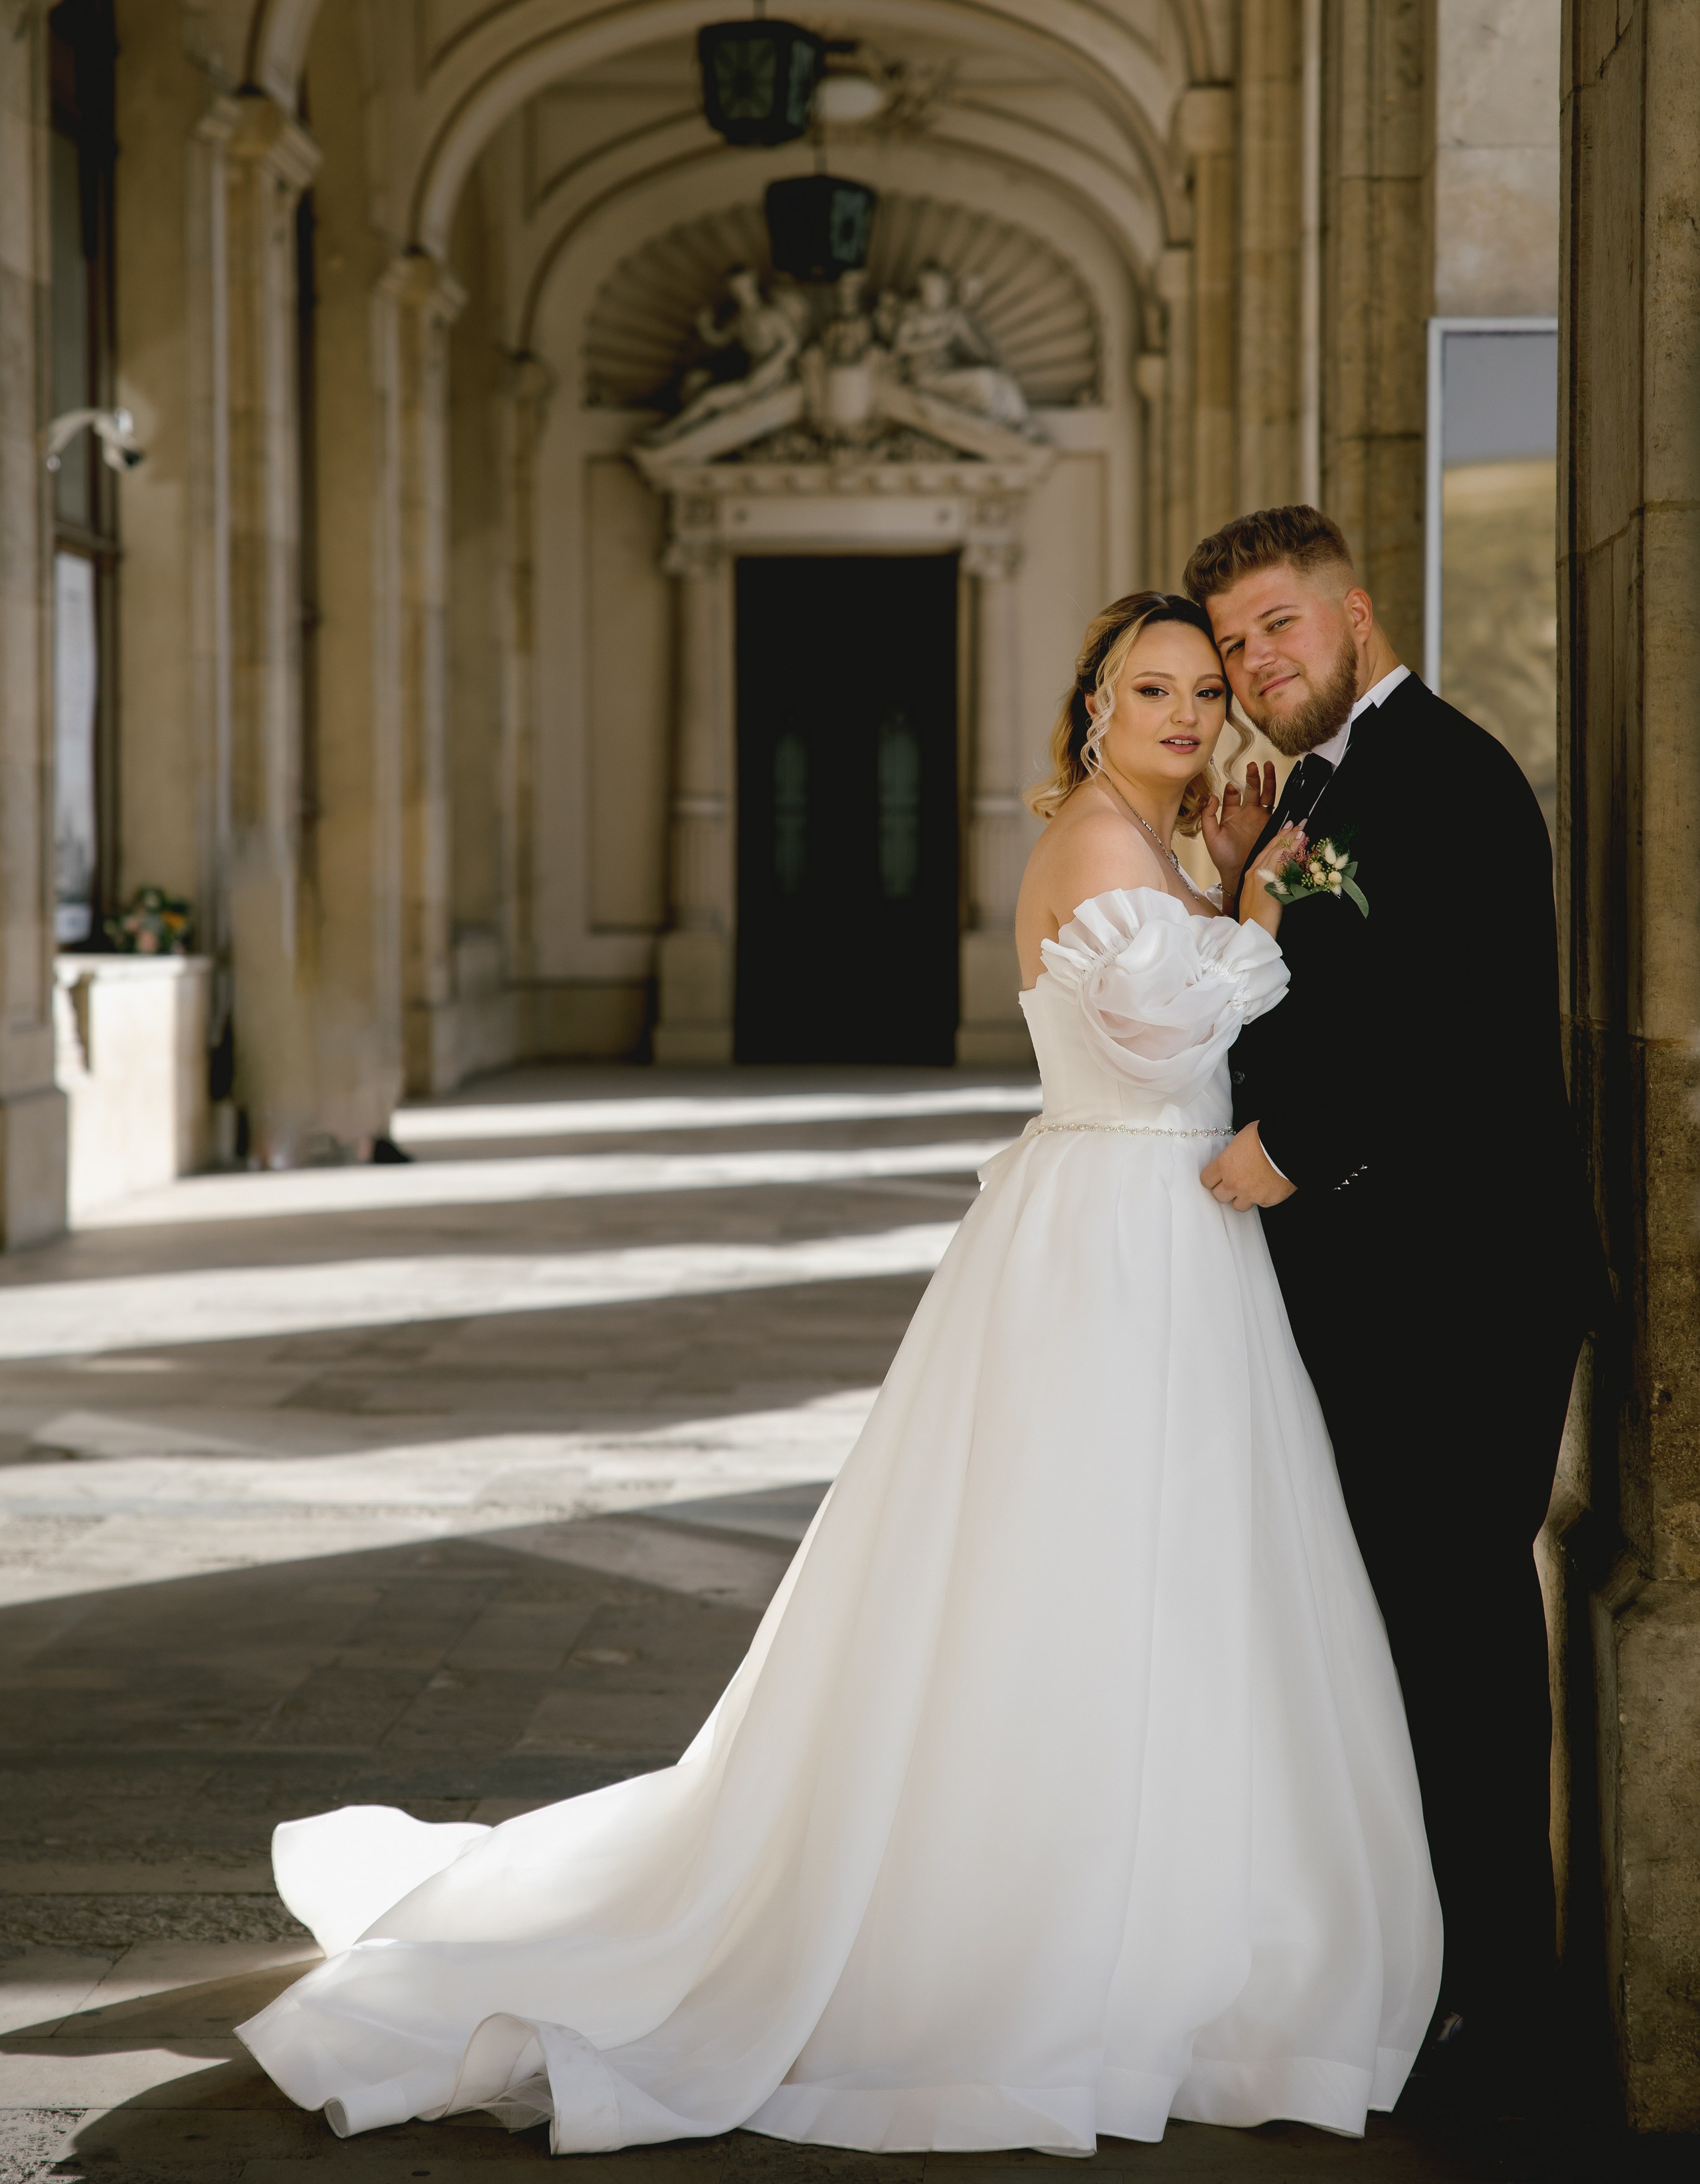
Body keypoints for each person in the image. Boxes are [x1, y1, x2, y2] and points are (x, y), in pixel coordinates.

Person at [237, 590, 1440, 2156]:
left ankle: (1182, 1908)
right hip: (1110, 1225)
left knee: (1176, 1570)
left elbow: (1186, 1006)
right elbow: (1161, 1043)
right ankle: (1046, 1927)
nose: (1185, 716)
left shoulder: (1157, 847)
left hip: (1169, 1231)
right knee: (1068, 1563)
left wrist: (1223, 876)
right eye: (1150, 690)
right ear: (1092, 707)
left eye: (1203, 691)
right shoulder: (1090, 838)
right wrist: (1259, 904)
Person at [1181, 505, 1611, 2081]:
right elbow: (1326, 988)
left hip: (1466, 1281)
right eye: (1231, 644)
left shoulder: (1446, 771)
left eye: (1275, 627)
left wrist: (1288, 1145)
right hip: (1382, 1282)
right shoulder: (1313, 788)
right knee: (1402, 1625)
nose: (1252, 662)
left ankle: (1501, 1988)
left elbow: (1458, 1013)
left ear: (1354, 614)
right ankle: (1432, 1954)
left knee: (1457, 1620)